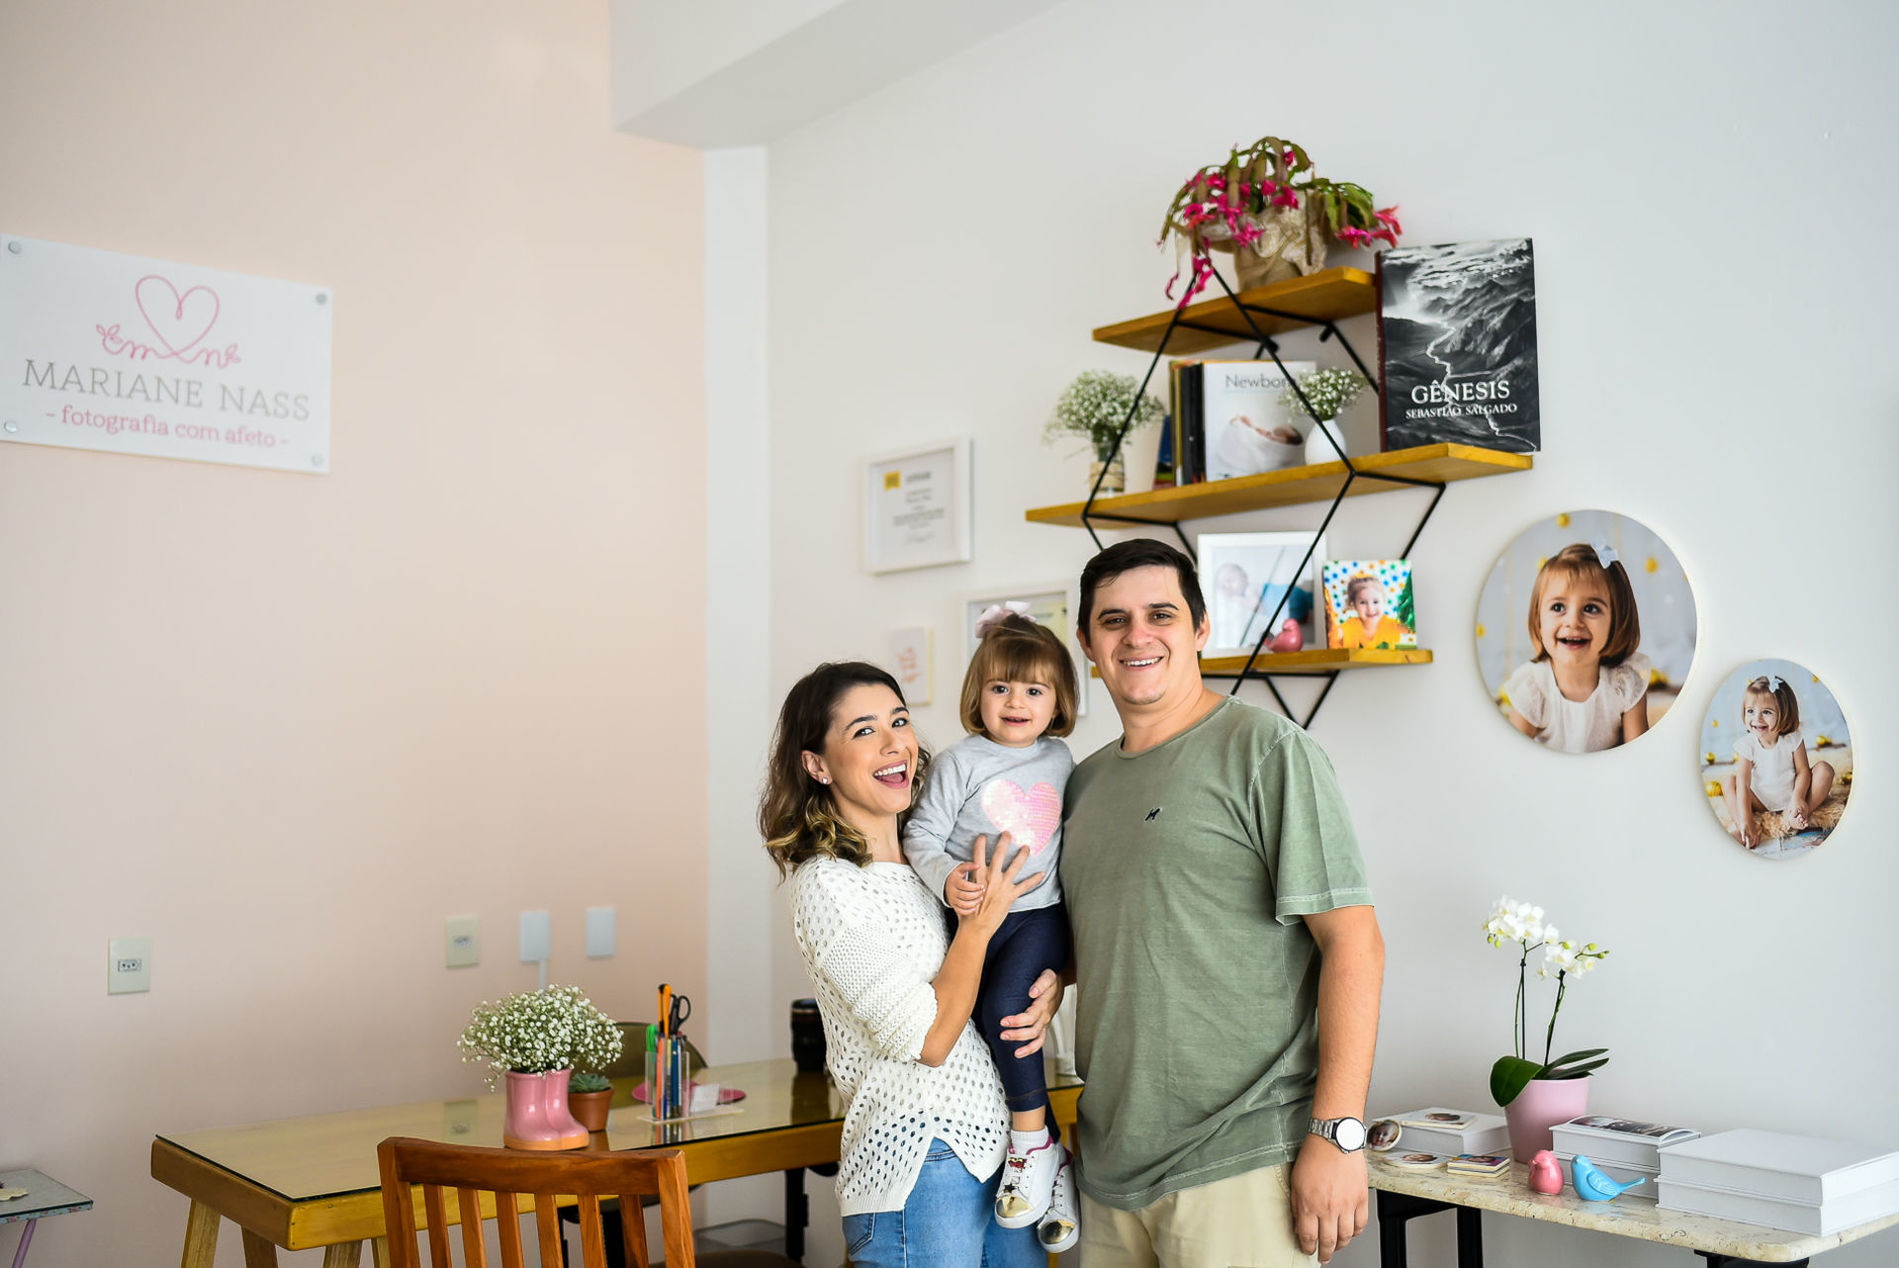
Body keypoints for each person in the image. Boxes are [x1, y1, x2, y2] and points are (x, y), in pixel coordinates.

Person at [1059, 538, 1385, 1268]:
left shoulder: (1267, 751)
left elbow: (1354, 944)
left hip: (1240, 1152)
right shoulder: (1081, 786)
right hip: (1110, 1162)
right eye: (1112, 621)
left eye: (1159, 614)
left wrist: (1336, 1135)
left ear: (1201, 629)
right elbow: (1122, 932)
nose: (1135, 635)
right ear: (1086, 642)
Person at [760, 661, 1062, 1268]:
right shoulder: (828, 886)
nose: (896, 741)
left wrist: (1052, 985)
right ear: (816, 764)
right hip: (918, 1165)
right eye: (864, 730)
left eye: (899, 721)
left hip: (1002, 1153)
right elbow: (928, 1040)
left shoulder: (935, 871)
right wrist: (978, 927)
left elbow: (984, 983)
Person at [903, 609, 1080, 1248]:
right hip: (975, 918)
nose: (1016, 701)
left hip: (1039, 915)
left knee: (1008, 1012)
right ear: (977, 692)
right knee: (974, 1027)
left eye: (1035, 690)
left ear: (1059, 701)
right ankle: (1053, 1158)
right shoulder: (959, 761)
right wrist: (951, 877)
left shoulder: (1061, 759)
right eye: (1001, 687)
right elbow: (919, 834)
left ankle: (1031, 1143)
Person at [1501, 542, 1650, 753]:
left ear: (1616, 621)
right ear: (1538, 621)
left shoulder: (1624, 684)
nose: (1573, 621)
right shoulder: (1535, 688)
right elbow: (1512, 758)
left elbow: (1640, 758)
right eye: (1558, 607)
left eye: (1590, 608)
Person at [1724, 673, 1835, 847]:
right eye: (1750, 711)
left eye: (1766, 712)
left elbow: (1803, 771)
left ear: (1784, 713)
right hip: (1760, 800)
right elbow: (1744, 785)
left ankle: (1795, 817)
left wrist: (1798, 798)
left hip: (1792, 796)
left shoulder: (1793, 738)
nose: (1757, 719)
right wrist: (1746, 818)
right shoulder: (1747, 745)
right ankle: (1746, 829)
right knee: (1730, 782)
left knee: (1825, 770)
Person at [1330, 573, 1412, 650]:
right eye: (1363, 602)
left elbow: (1412, 629)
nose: (1370, 608)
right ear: (1354, 605)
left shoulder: (1393, 626)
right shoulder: (1350, 627)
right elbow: (1333, 635)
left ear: (1384, 601)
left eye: (1375, 602)